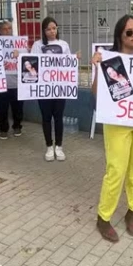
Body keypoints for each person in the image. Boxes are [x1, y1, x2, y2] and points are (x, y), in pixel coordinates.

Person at [91, 15, 133, 242]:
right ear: (120, 35)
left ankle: (132, 211)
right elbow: (97, 94)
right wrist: (96, 67)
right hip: (117, 123)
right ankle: (103, 217)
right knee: (116, 169)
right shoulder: (109, 60)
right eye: (129, 32)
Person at [32, 17, 79, 162]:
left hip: (60, 88)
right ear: (44, 31)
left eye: (54, 28)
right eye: (48, 29)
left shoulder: (63, 44)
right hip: (44, 88)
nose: (52, 31)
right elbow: (32, 63)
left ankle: (59, 146)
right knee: (46, 118)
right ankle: (48, 147)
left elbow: (68, 65)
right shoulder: (38, 45)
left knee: (58, 117)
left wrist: (75, 58)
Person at [0, 20, 23, 139]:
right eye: (4, 29)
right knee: (0, 108)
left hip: (16, 82)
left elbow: (28, 61)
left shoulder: (19, 43)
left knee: (18, 107)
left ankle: (17, 126)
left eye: (9, 28)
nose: (7, 31)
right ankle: (3, 129)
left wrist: (20, 54)